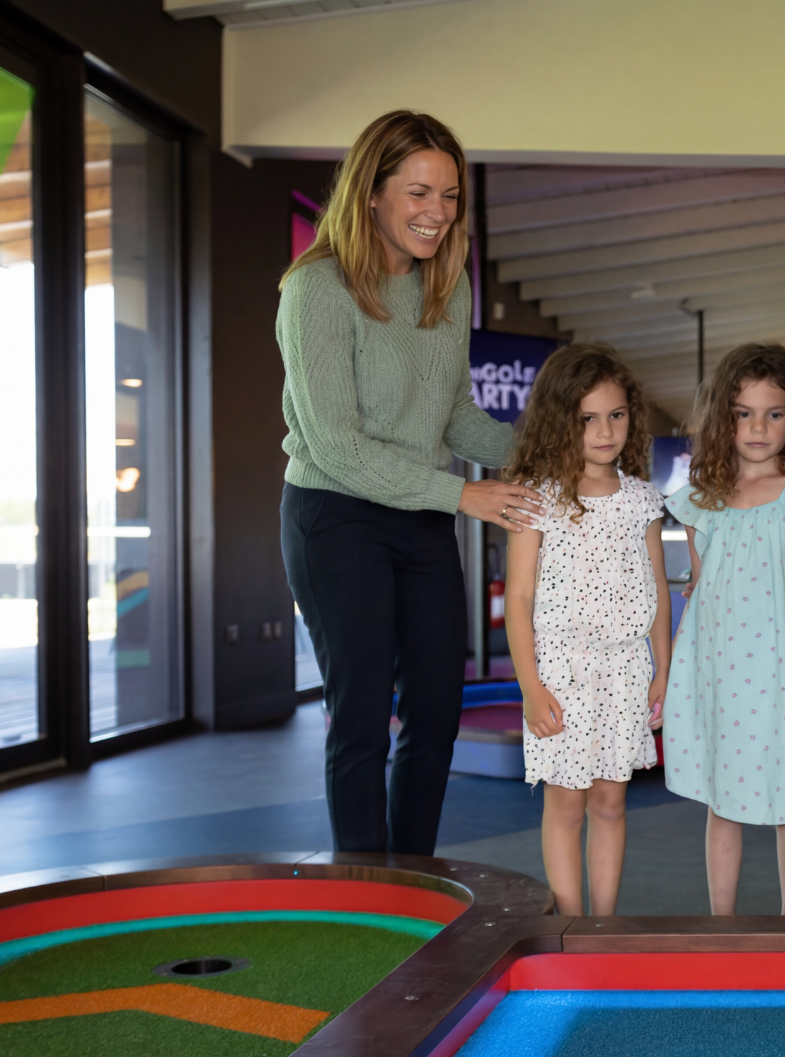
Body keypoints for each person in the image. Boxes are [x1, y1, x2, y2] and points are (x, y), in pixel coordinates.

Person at [278, 110, 539, 856]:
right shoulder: (315, 289)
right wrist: (465, 496)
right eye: (419, 193)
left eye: (450, 196)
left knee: (436, 710)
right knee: (359, 715)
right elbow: (336, 443)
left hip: (419, 514)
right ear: (371, 193)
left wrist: (542, 450)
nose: (437, 213)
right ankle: (364, 894)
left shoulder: (444, 290)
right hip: (334, 514)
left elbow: (455, 416)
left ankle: (413, 878)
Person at [662, 343, 785, 916]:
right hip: (720, 674)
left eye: (774, 413)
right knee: (722, 800)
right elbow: (699, 582)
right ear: (723, 418)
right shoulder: (701, 500)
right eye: (743, 413)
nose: (759, 427)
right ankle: (722, 921)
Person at [503, 343, 671, 917]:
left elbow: (659, 592)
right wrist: (531, 687)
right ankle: (570, 923)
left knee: (610, 801)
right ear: (560, 420)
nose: (605, 431)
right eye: (587, 419)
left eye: (616, 415)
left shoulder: (642, 499)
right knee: (566, 802)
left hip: (625, 670)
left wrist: (661, 672)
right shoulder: (536, 499)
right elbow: (519, 599)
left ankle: (604, 922)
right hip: (561, 671)